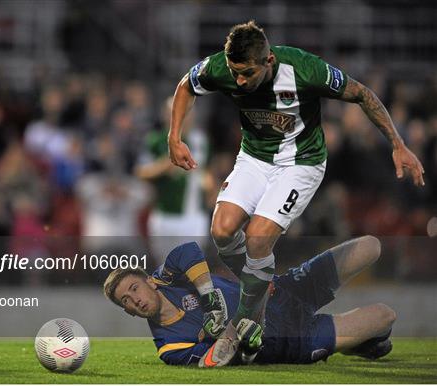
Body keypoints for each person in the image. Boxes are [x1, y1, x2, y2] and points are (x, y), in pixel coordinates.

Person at [167, 20, 423, 365]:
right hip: (255, 157)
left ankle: (246, 322)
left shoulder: (304, 69)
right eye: (234, 73)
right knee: (222, 230)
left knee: (258, 238)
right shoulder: (221, 67)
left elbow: (362, 93)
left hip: (301, 163)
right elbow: (186, 85)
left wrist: (397, 143)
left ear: (268, 61)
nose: (239, 81)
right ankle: (262, 288)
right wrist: (174, 136)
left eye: (246, 74)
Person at [103, 236, 396, 367]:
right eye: (125, 301)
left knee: (371, 245)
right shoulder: (169, 346)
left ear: (149, 281)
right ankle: (364, 343)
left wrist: (210, 301)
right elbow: (215, 360)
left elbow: (189, 250)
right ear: (127, 312)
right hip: (288, 340)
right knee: (384, 316)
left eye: (133, 288)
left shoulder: (169, 277)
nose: (134, 300)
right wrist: (244, 341)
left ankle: (361, 342)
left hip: (283, 290)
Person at [135, 96, 210, 260]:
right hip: (164, 215)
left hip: (194, 216)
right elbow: (141, 172)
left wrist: (209, 184)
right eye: (174, 113)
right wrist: (165, 165)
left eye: (186, 112)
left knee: (192, 270)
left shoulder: (201, 141)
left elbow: (207, 173)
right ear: (166, 115)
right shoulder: (155, 141)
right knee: (165, 270)